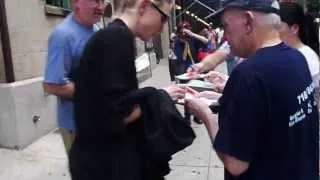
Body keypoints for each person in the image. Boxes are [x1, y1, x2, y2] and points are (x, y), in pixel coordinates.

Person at [186, 0, 319, 179]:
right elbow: (271, 112)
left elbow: (235, 163)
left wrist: (205, 114)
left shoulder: (249, 74)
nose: (225, 36)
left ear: (248, 22)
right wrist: (224, 99)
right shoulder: (297, 58)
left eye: (226, 26)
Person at [69, 0, 195, 179]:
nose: (163, 27)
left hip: (95, 158)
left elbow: (112, 100)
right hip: (102, 165)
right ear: (143, 7)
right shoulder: (117, 39)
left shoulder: (113, 36)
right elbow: (119, 113)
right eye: (164, 17)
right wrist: (161, 96)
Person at [43, 0, 106, 152]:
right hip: (76, 125)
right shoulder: (62, 36)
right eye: (95, 1)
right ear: (77, 3)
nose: (101, 6)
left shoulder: (96, 30)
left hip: (99, 120)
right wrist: (94, 94)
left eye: (103, 1)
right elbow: (52, 85)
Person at [279, 2, 320, 177]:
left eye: (276, 25)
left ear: (294, 28)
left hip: (303, 134)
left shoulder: (306, 58)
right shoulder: (288, 54)